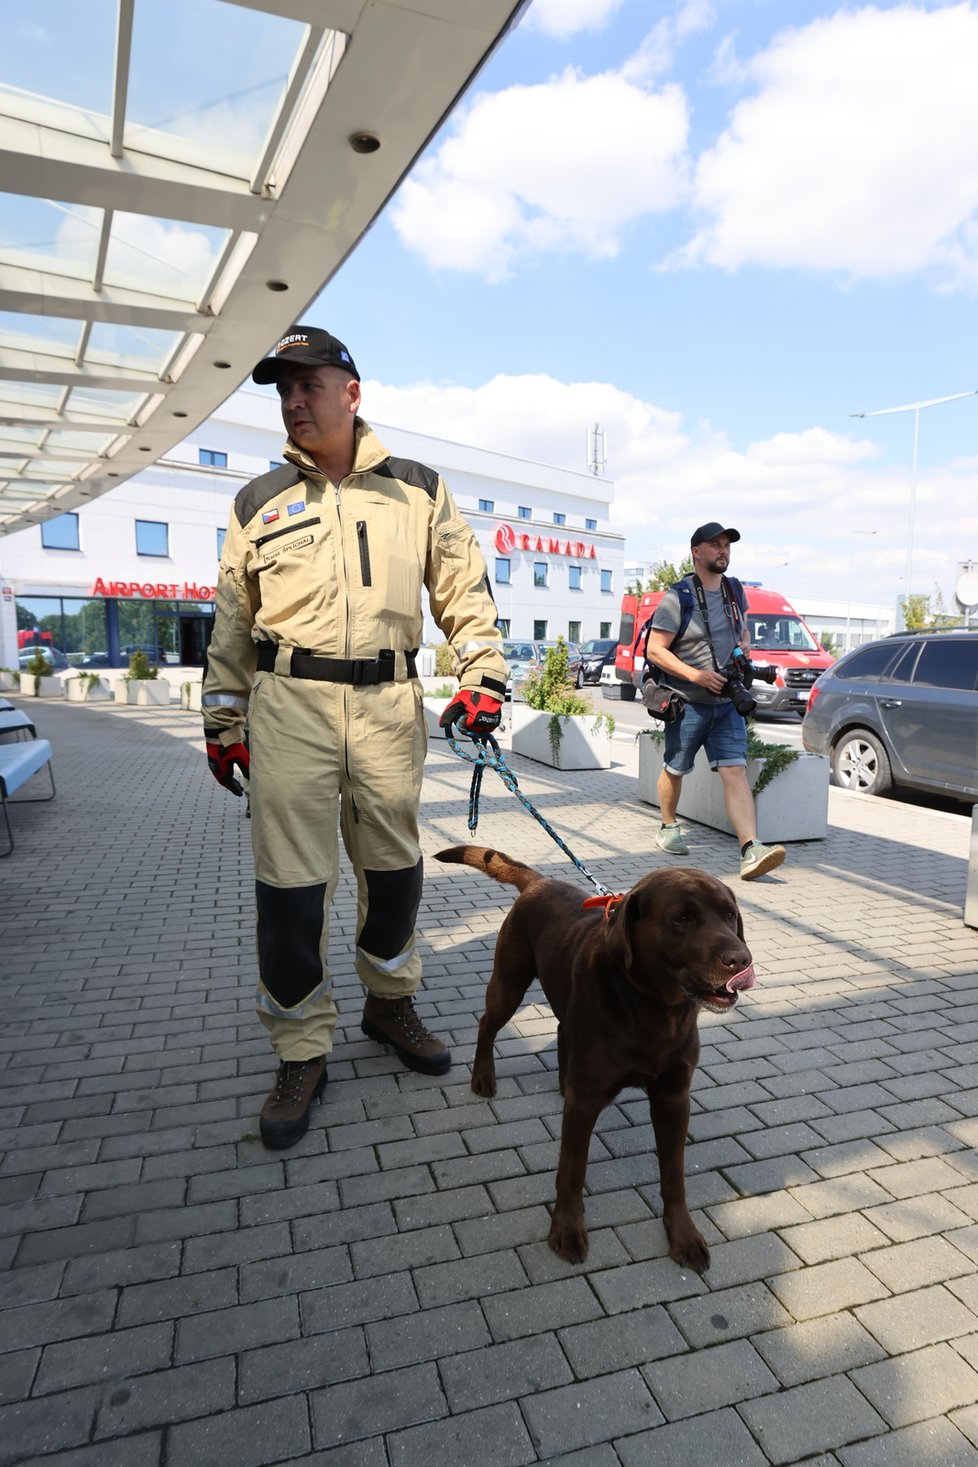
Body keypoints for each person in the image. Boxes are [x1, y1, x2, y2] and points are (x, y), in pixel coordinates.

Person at [202, 325, 508, 1149]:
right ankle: (301, 1047)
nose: (294, 401)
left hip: (386, 703)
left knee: (395, 871)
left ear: (352, 392)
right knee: (291, 893)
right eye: (283, 389)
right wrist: (223, 720)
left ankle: (389, 1003)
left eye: (309, 384)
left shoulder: (419, 489)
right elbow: (233, 621)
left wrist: (482, 677)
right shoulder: (257, 502)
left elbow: (464, 590)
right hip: (289, 705)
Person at [645, 521, 786, 881]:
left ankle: (751, 848)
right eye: (715, 545)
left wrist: (744, 649)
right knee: (675, 768)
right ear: (696, 552)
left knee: (734, 770)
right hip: (687, 701)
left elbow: (741, 629)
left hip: (726, 702)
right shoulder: (678, 598)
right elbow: (655, 651)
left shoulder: (736, 591)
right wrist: (696, 675)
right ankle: (667, 825)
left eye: (727, 545)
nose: (723, 550)